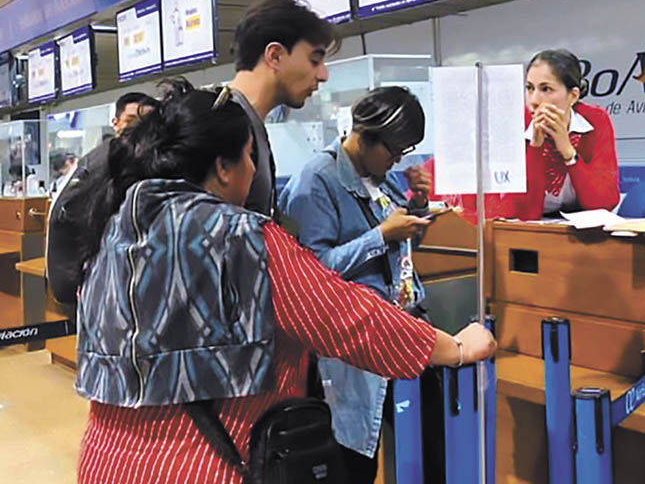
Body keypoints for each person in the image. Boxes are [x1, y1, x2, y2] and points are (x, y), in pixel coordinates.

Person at [74, 79, 497, 484]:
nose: (254, 169)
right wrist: (455, 348)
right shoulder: (243, 236)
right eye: (249, 156)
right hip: (206, 463)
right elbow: (345, 318)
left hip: (106, 460)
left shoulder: (113, 225)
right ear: (223, 166)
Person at [280, 87, 437, 482]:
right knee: (354, 459)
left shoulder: (379, 178)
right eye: (394, 150)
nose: (397, 160)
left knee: (430, 446)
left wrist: (417, 207)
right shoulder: (316, 182)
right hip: (355, 348)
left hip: (403, 328)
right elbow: (310, 274)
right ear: (366, 136)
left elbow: (400, 249)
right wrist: (380, 235)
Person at [421, 49, 620, 221]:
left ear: (573, 95)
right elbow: (525, 213)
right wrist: (536, 146)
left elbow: (604, 203)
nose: (533, 100)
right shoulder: (516, 122)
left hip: (576, 235)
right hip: (523, 233)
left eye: (546, 89)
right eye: (529, 88)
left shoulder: (595, 120)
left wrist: (568, 153)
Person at [226, 0, 335, 217]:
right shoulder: (224, 128)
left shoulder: (249, 123)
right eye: (314, 61)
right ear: (275, 56)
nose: (323, 75)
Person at [45, 91, 158, 304]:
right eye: (133, 121)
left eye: (148, 123)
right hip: (85, 281)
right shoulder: (112, 160)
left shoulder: (100, 156)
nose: (141, 130)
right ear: (115, 123)